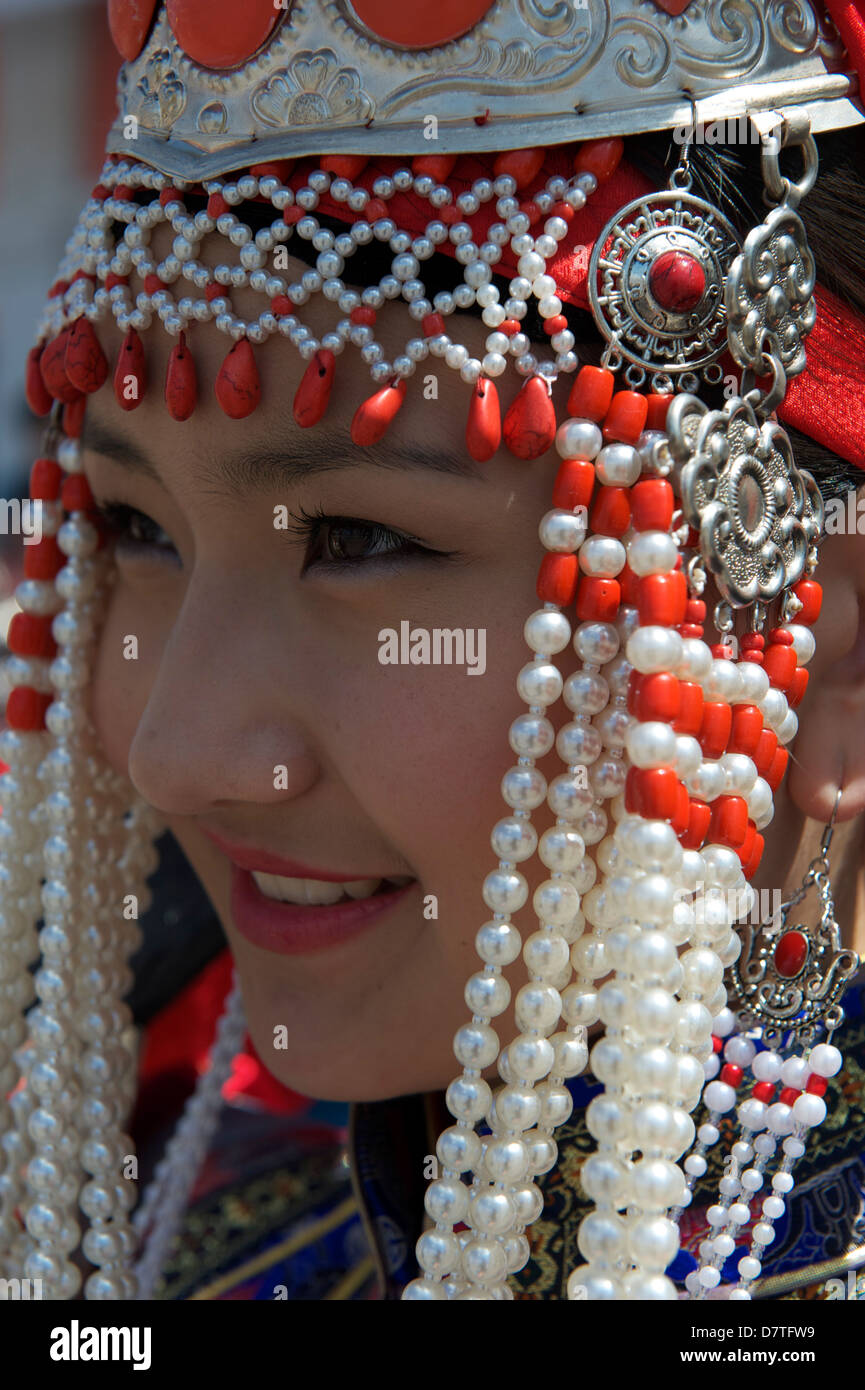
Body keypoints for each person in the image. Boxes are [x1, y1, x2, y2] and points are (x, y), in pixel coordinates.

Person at [1, 0, 864, 1302]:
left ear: (828, 621)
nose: (174, 753)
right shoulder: (167, 1212)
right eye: (135, 527)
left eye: (356, 539)